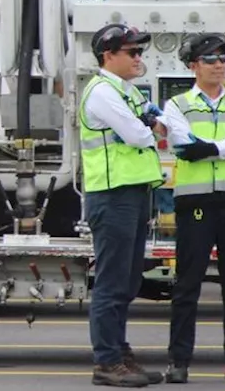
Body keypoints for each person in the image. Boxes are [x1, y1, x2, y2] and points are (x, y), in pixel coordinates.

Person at [159, 33, 225, 384]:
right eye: (210, 59)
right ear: (193, 66)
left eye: (223, 58)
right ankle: (179, 361)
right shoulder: (177, 105)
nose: (220, 64)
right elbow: (182, 142)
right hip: (196, 203)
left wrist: (210, 148)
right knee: (187, 284)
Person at [79, 23, 168, 387]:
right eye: (132, 53)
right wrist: (148, 128)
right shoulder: (102, 92)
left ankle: (118, 351)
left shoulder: (125, 91)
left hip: (132, 192)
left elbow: (159, 122)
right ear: (108, 55)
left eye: (140, 52)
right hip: (112, 194)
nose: (138, 59)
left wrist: (150, 126)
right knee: (113, 283)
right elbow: (141, 133)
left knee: (128, 280)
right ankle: (107, 361)